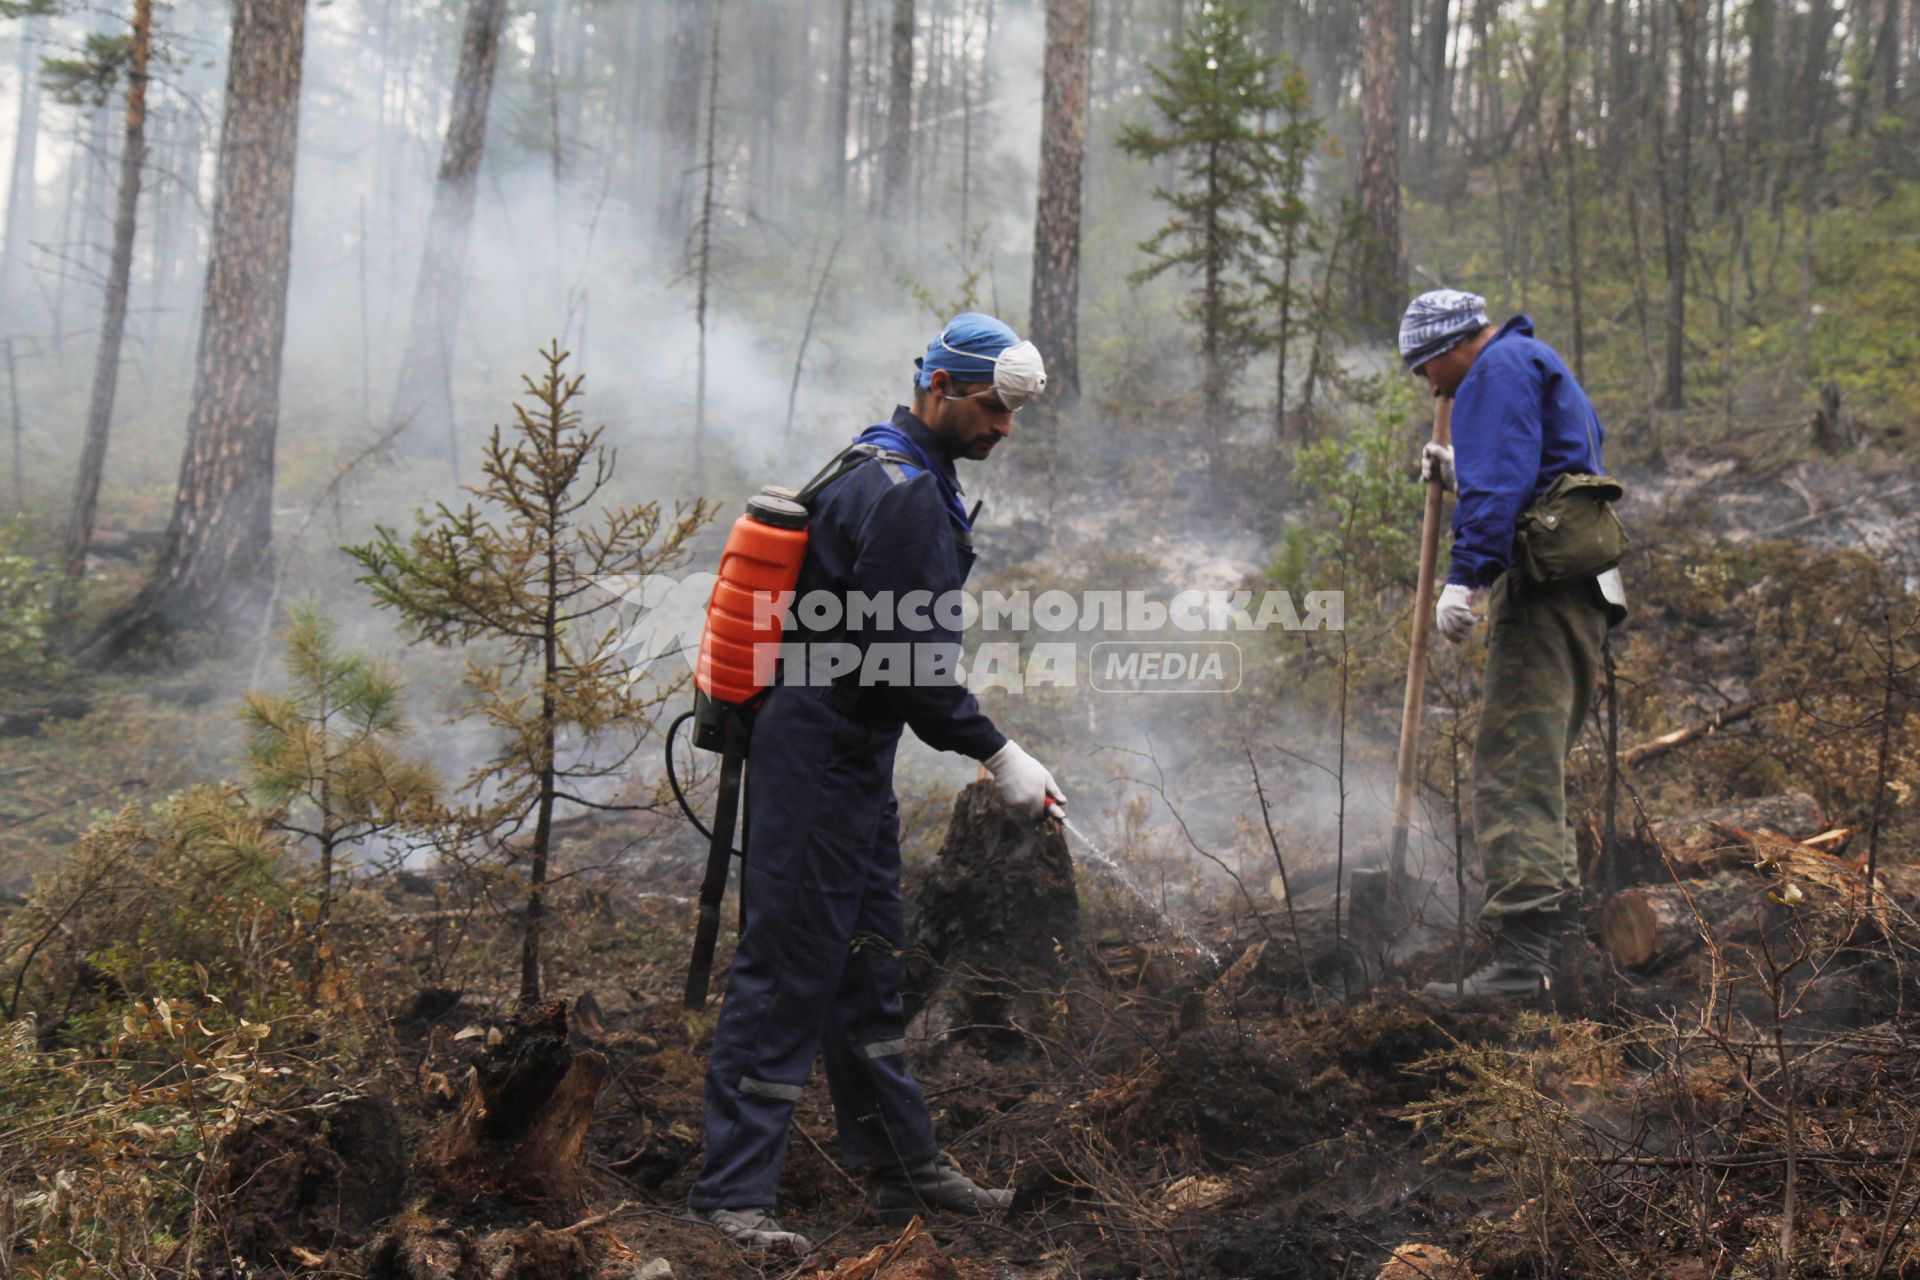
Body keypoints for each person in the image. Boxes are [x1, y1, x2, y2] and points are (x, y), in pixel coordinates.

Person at [687, 313, 1067, 1250]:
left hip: (843, 749)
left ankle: (899, 1160)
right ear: (938, 385)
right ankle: (730, 1199)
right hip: (820, 750)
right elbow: (911, 672)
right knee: (787, 968)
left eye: (1014, 414)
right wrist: (998, 752)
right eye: (991, 407)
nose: (1003, 429)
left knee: (868, 965)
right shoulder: (900, 494)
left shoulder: (888, 464)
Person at [1398, 289, 1625, 1001]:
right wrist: (1463, 473)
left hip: (1548, 588)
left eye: (1424, 368)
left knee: (1515, 758)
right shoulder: (1535, 357)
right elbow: (1552, 462)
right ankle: (1553, 944)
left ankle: (1525, 960)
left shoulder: (1493, 371)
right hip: (1579, 587)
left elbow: (1503, 489)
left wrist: (1463, 581)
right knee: (1537, 756)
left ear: (1451, 347)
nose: (1428, 385)